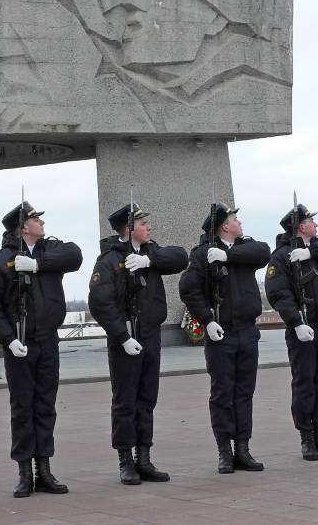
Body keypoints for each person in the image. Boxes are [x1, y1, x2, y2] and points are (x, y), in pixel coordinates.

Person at [0, 201, 82, 498]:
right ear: (23, 227)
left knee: (45, 406)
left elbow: (75, 255)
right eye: (37, 219)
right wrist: (8, 339)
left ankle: (44, 469)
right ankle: (25, 472)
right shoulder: (1, 261)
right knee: (23, 408)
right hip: (20, 344)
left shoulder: (50, 251)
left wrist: (38, 265)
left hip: (48, 341)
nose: (42, 223)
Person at [88, 203, 188, 485]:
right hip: (126, 339)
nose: (149, 227)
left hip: (150, 335)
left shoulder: (149, 253)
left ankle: (144, 458)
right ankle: (126, 461)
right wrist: (122, 336)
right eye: (144, 224)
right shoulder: (108, 261)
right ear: (129, 229)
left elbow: (181, 257)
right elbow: (100, 302)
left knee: (147, 398)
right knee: (125, 401)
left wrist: (150, 260)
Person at [179, 203, 270, 474]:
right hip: (222, 333)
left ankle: (243, 448)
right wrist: (207, 320)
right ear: (224, 226)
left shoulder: (244, 249)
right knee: (222, 394)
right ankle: (224, 451)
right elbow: (188, 290)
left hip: (247, 331)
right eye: (234, 219)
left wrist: (228, 257)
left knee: (244, 392)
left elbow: (263, 252)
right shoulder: (202, 254)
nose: (239, 222)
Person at [265, 203, 318, 461]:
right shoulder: (281, 257)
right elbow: (278, 293)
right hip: (304, 327)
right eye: (312, 221)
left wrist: (310, 251)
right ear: (301, 226)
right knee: (305, 383)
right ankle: (307, 437)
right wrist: (295, 322)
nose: (317, 225)